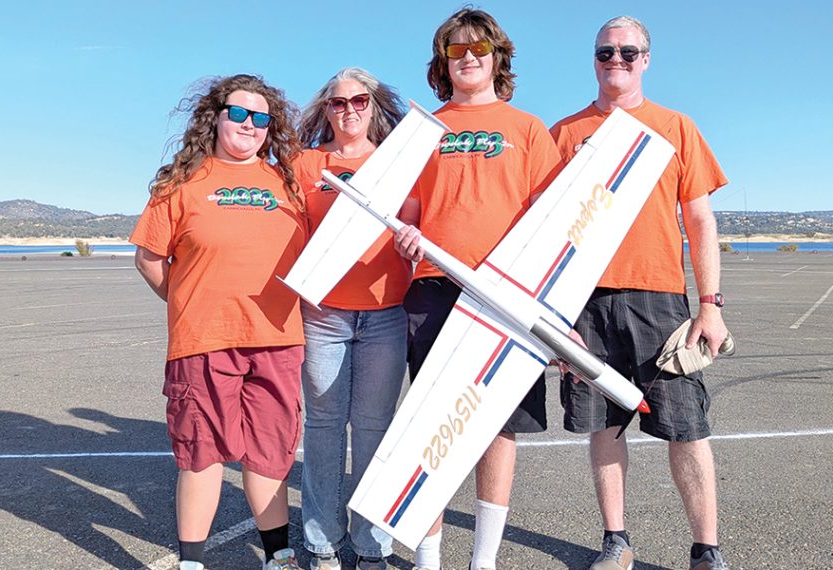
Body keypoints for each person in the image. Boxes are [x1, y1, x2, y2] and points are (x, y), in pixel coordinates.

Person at [549, 16, 731, 570]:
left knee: (687, 428)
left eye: (629, 52)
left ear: (646, 59)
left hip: (660, 298)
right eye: (606, 52)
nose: (617, 61)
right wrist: (554, 314)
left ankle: (706, 549)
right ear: (595, 58)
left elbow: (699, 222)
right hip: (586, 300)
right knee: (604, 424)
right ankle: (616, 541)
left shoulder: (676, 127)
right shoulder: (565, 133)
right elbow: (547, 225)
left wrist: (709, 306)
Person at [392, 8, 562, 570]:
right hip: (435, 286)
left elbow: (551, 220)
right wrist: (407, 238)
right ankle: (428, 557)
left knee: (497, 427)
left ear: (497, 57)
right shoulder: (423, 128)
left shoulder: (529, 129)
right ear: (443, 62)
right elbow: (408, 214)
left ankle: (484, 559)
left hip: (508, 293)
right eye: (456, 50)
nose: (468, 57)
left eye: (479, 48)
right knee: (433, 426)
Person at [130, 74, 307, 570]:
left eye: (261, 117)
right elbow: (149, 258)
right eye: (239, 113)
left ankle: (280, 555)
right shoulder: (182, 183)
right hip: (203, 341)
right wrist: (187, 302)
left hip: (278, 339)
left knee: (270, 453)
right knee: (201, 452)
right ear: (217, 117)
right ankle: (192, 561)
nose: (250, 124)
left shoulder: (287, 183)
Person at [293, 67, 410, 570]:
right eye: (338, 103)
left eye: (359, 101)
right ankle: (321, 540)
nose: (349, 111)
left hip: (387, 313)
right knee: (322, 426)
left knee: (373, 430)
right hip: (323, 315)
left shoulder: (400, 163)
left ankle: (370, 546)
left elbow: (422, 224)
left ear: (374, 106)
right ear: (326, 109)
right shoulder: (305, 164)